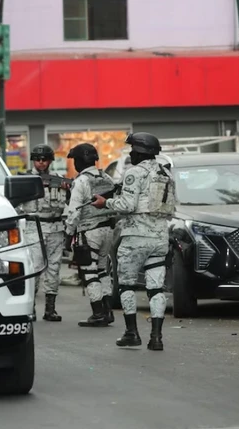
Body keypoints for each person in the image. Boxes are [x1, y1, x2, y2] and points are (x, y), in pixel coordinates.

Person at [93, 132, 175, 350]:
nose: (131, 153)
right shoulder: (166, 173)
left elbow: (128, 205)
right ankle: (156, 338)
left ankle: (132, 332)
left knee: (127, 285)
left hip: (135, 237)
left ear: (140, 151)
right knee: (156, 289)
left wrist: (106, 203)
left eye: (132, 150)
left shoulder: (134, 173)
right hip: (160, 236)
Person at [65, 143, 117, 327]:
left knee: (89, 271)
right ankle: (107, 311)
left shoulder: (81, 181)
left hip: (89, 231)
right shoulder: (107, 178)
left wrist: (67, 235)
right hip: (108, 230)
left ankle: (97, 313)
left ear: (79, 161)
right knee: (103, 270)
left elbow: (73, 213)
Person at [18, 144, 68, 322]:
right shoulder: (25, 180)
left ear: (50, 161)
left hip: (55, 227)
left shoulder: (59, 180)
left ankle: (50, 309)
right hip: (35, 226)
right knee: (35, 268)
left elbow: (71, 202)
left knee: (54, 269)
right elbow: (15, 205)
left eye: (44, 159)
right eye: (38, 159)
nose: (41, 162)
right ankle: (29, 307)